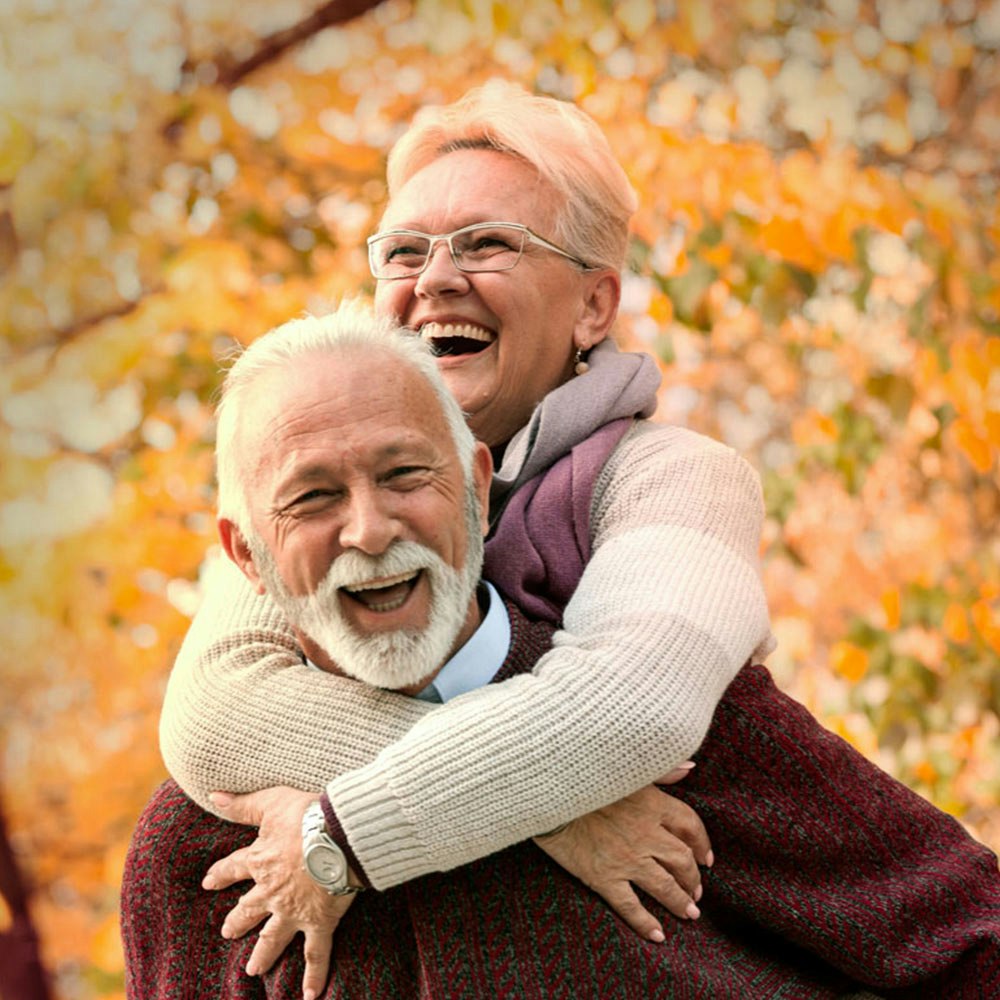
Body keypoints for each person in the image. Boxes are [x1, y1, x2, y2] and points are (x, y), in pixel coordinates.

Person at [123, 304, 1000, 999]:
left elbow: (975, 944)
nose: (369, 529)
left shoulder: (697, 734)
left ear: (473, 484)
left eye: (403, 476)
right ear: (247, 554)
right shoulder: (197, 846)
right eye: (312, 497)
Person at [159, 78, 773, 948]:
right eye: (405, 253)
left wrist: (344, 833)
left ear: (594, 305)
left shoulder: (676, 478)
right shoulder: (317, 499)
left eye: (489, 244)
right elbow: (217, 717)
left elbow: (629, 712)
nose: (437, 278)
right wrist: (554, 817)